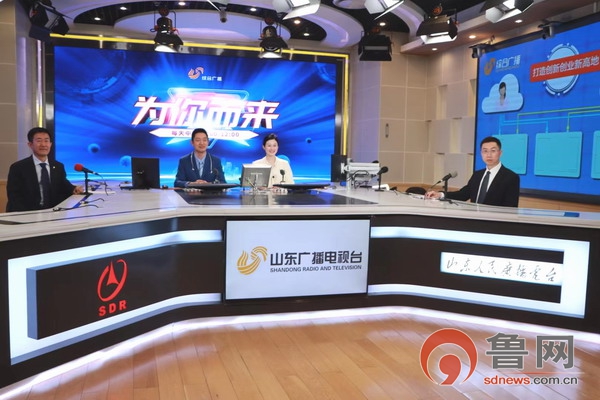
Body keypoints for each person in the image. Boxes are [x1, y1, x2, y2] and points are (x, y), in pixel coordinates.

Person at [425, 136, 520, 207]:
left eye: (493, 151)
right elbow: (463, 194)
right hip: (474, 221)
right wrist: (440, 194)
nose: (489, 155)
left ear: (500, 153)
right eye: (485, 151)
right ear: (481, 153)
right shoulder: (477, 175)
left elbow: (510, 207)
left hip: (494, 223)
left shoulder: (511, 177)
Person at [6, 127, 83, 212]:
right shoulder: (18, 167)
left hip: (52, 213)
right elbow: (14, 197)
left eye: (46, 141)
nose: (43, 144)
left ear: (50, 144)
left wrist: (73, 189)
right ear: (30, 144)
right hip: (27, 213)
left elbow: (63, 185)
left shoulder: (58, 166)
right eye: (39, 141)